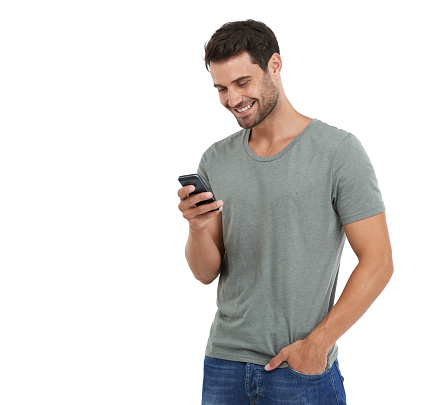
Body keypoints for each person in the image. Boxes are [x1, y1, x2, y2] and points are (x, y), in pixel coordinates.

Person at [177, 20, 393, 404]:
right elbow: (205, 272)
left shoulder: (338, 151)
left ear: (274, 65)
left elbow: (378, 262)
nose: (232, 99)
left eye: (242, 83)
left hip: (300, 367)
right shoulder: (216, 159)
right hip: (225, 364)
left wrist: (319, 344)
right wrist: (196, 227)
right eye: (221, 88)